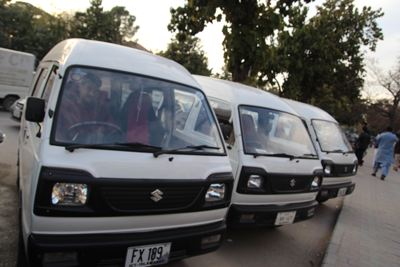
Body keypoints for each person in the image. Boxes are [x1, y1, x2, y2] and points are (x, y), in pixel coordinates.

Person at [56, 73, 115, 141]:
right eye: (88, 89)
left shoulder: (101, 109)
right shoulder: (65, 106)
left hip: (96, 147)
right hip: (69, 148)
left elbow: (112, 131)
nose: (92, 94)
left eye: (95, 91)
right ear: (80, 87)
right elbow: (56, 133)